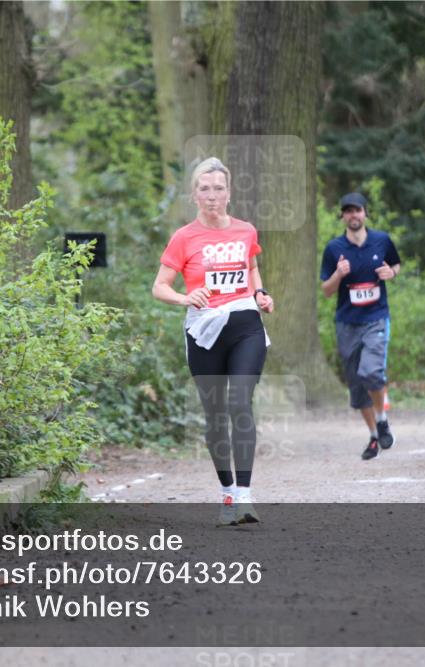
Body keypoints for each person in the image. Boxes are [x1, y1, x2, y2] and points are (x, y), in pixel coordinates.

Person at [152, 157, 274, 526]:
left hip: (245, 325)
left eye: (218, 188)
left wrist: (261, 294)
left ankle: (246, 497)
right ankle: (226, 493)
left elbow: (251, 269)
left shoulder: (245, 231)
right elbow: (159, 287)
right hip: (204, 331)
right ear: (194, 195)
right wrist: (184, 297)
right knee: (215, 414)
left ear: (229, 193)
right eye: (204, 189)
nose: (212, 195)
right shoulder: (184, 237)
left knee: (240, 401)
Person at [320, 192, 401, 460]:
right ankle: (375, 435)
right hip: (347, 323)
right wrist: (338, 275)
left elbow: (396, 264)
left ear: (366, 213)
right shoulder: (334, 249)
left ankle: (382, 418)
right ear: (342, 216)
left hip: (376, 318)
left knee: (371, 372)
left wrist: (392, 273)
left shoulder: (382, 240)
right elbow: (327, 291)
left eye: (358, 210)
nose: (353, 215)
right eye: (348, 211)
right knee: (356, 386)